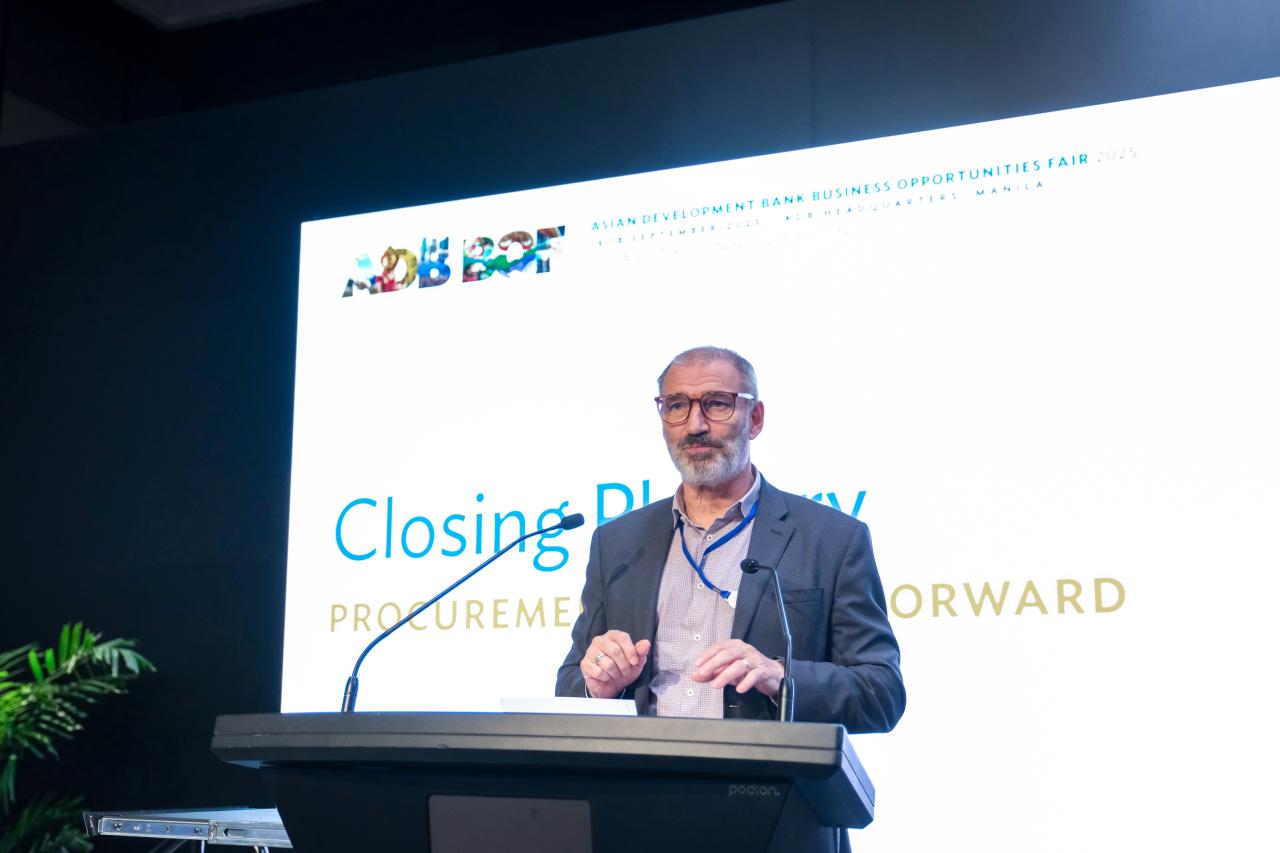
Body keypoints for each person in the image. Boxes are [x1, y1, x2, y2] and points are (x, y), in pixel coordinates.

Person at [556, 346, 905, 731]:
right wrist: (597, 686)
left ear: (754, 419)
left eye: (717, 404)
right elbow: (570, 684)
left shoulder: (832, 540)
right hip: (638, 766)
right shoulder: (616, 544)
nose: (695, 425)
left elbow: (881, 693)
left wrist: (781, 678)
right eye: (676, 406)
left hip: (759, 767)